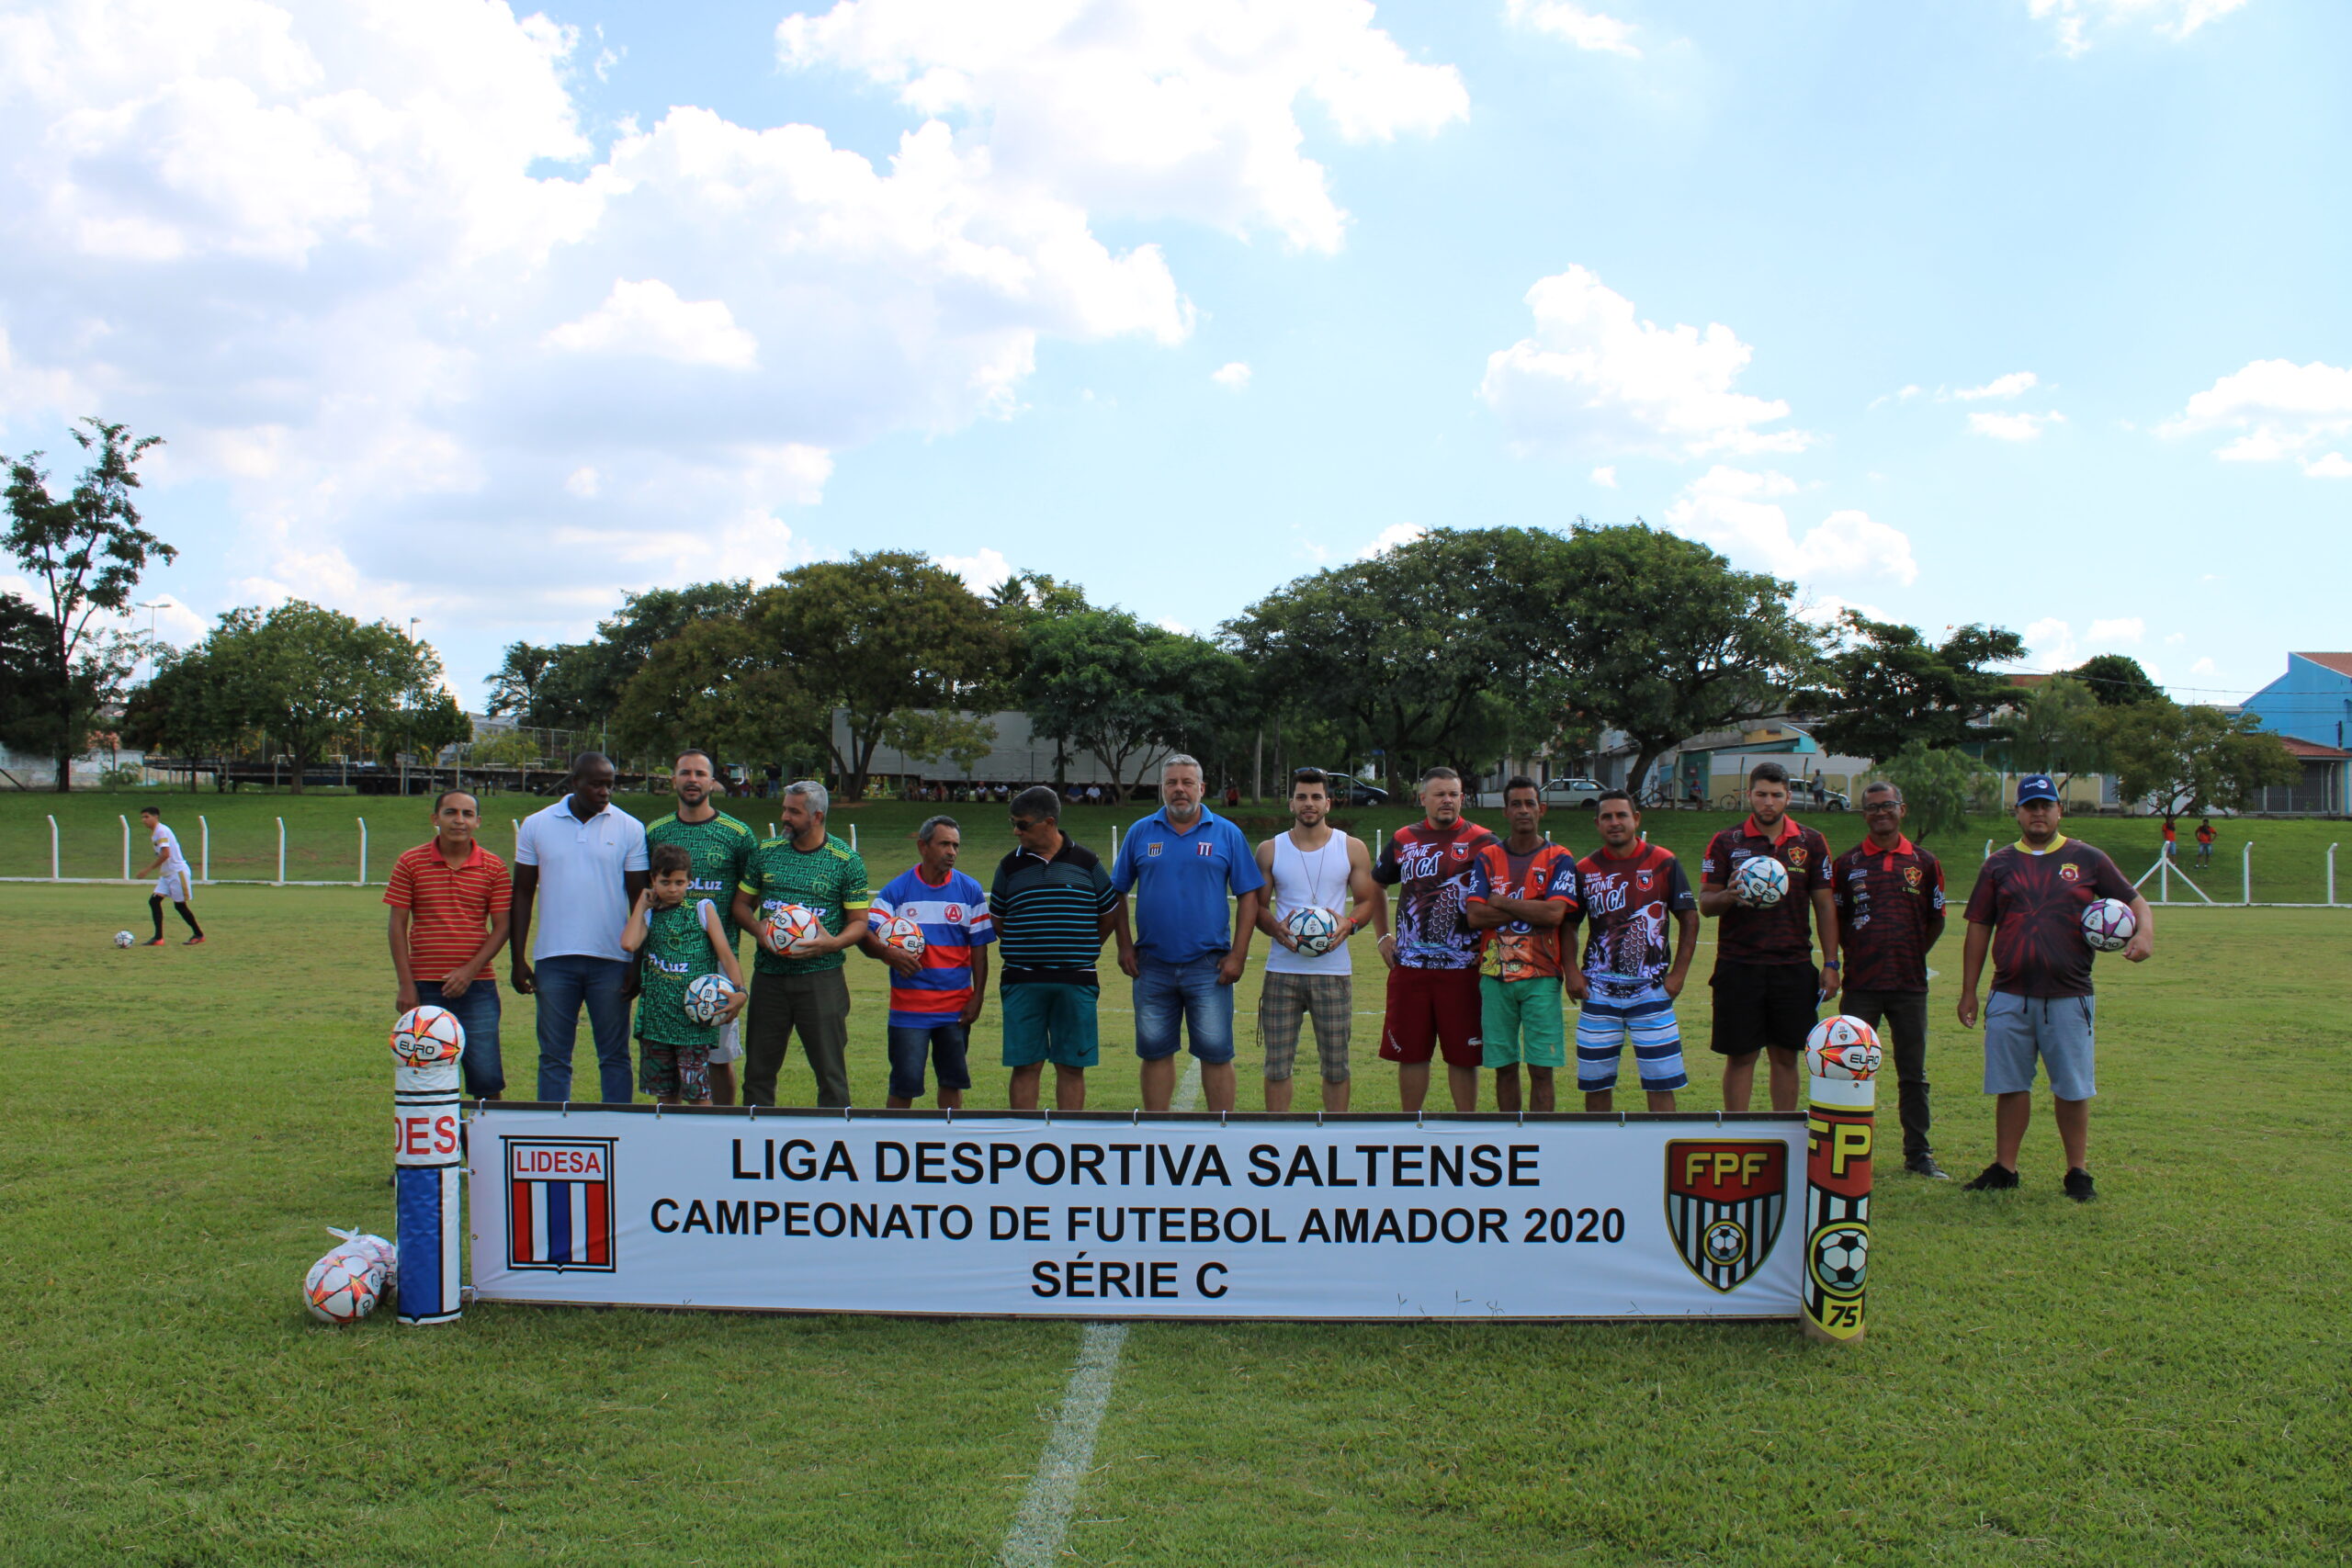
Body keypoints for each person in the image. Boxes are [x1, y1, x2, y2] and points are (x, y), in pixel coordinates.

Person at [1955, 774, 2154, 1200]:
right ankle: (2005, 1167)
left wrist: (2145, 934)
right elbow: (1978, 928)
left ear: (2059, 810)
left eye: (2046, 805)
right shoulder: (1999, 864)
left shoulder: (2088, 859)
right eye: (2031, 806)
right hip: (2009, 992)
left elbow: (2136, 902)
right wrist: (1969, 990)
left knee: (2072, 1086)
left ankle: (2077, 1172)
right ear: (2018, 813)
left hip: (2069, 994)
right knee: (2010, 1085)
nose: (2039, 813)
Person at [1112, 754, 1265, 1112]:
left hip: (1209, 966)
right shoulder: (1140, 832)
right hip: (1151, 964)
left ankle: (1220, 1131)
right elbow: (1116, 891)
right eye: (1171, 783)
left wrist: (1238, 955)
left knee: (1216, 1052)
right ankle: (1156, 1131)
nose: (1179, 790)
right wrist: (1124, 946)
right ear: (1162, 789)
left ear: (1201, 788)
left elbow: (1249, 897)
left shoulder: (1227, 833)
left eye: (1186, 782)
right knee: (1154, 1051)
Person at [1699, 761, 1839, 1112]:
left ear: (1789, 797)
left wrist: (1832, 963)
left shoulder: (1811, 841)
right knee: (1741, 1057)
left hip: (1792, 965)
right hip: (1738, 965)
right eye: (1761, 794)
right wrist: (1729, 897)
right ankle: (1736, 1136)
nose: (1768, 803)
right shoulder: (1726, 841)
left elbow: (1824, 906)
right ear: (1750, 795)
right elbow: (1706, 904)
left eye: (1776, 795)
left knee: (1786, 1056)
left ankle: (1782, 1134)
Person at [512, 753, 649, 1102]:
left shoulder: (630, 828)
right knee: (554, 1057)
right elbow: (523, 893)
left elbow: (640, 901)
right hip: (554, 960)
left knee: (615, 1055)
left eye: (610, 785)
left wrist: (637, 963)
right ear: (574, 782)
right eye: (597, 784)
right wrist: (518, 958)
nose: (605, 792)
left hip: (612, 959)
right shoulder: (536, 824)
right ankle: (555, 1136)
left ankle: (619, 1130)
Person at [729, 780, 875, 1109]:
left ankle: (834, 1143)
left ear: (817, 816)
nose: (785, 816)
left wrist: (831, 943)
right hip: (770, 978)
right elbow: (740, 905)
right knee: (758, 1073)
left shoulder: (845, 860)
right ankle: (758, 1140)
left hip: (821, 979)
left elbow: (859, 923)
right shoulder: (765, 854)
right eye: (785, 808)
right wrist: (758, 930)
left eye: (793, 812)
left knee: (830, 1073)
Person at [1832, 782, 1948, 1179]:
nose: (1880, 813)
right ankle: (1843, 1154)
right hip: (1861, 985)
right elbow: (1838, 920)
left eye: (1887, 806)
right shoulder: (1846, 864)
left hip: (1909, 986)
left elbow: (1936, 920)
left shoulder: (1924, 862)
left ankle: (1919, 1154)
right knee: (1849, 1071)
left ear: (1903, 809)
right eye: (1872, 808)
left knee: (1913, 1074)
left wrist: (1912, 953)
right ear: (1863, 814)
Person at [1374, 766, 1503, 1112]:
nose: (1447, 800)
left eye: (1454, 794)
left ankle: (1467, 1125)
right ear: (1423, 799)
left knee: (1463, 1055)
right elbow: (1378, 882)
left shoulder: (1484, 841)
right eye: (1440, 794)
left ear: (1462, 798)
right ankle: (1409, 1125)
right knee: (1412, 1052)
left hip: (1463, 968)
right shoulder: (1404, 838)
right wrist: (1383, 935)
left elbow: (1499, 898)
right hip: (1411, 966)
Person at [1252, 768, 1382, 1112]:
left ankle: (1335, 1138)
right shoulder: (1270, 850)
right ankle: (1276, 1138)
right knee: (1277, 1066)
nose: (1308, 804)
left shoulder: (1351, 848)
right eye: (1301, 797)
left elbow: (1367, 901)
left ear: (1328, 803)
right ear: (1291, 803)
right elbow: (1258, 908)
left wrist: (1350, 924)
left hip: (1333, 973)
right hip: (1282, 972)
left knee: (1336, 1067)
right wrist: (1275, 929)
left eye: (1315, 797)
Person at [992, 785, 1119, 1111]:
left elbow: (1109, 914)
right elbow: (998, 920)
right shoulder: (1009, 866)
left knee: (1071, 1065)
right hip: (1022, 980)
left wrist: (1083, 948)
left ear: (1048, 822)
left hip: (1076, 981)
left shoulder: (1088, 861)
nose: (1015, 831)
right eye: (1014, 823)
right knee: (1026, 1065)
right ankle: (1022, 1140)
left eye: (1022, 824)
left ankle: (1069, 1140)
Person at [1570, 791, 1697, 1111]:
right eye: (1607, 817)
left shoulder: (1664, 862)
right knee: (1596, 1084)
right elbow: (1567, 925)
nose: (1615, 822)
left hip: (1652, 993)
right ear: (1597, 823)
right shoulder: (1585, 869)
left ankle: (1660, 1152)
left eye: (1621, 815)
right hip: (1598, 992)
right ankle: (1600, 1152)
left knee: (1662, 1081)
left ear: (1636, 819)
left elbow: (1689, 919)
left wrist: (1678, 976)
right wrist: (1571, 972)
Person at [645, 750, 759, 1105]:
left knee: (718, 1060)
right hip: (666, 969)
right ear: (674, 780)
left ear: (712, 782)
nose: (692, 779)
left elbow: (751, 891)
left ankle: (723, 1132)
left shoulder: (737, 834)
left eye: (699, 773)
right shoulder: (655, 832)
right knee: (670, 1064)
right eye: (685, 773)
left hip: (716, 972)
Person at [1463, 777, 1580, 1113]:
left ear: (1541, 809)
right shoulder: (1487, 858)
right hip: (1494, 975)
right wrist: (1533, 907)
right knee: (1504, 1067)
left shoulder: (1559, 858)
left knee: (1542, 1068)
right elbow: (1474, 915)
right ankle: (1509, 1138)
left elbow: (1555, 913)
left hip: (1541, 975)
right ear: (1505, 811)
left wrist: (1499, 901)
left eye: (1530, 803)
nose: (1524, 810)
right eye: (1516, 804)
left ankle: (1542, 1139)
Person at [386, 790, 511, 1100]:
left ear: (478, 822)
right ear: (435, 818)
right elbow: (397, 925)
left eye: (467, 814)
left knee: (486, 1079)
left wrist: (469, 971)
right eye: (451, 812)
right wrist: (406, 985)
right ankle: (441, 1147)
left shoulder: (493, 867)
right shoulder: (410, 862)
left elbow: (503, 926)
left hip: (477, 988)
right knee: (427, 1075)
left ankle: (483, 1148)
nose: (459, 820)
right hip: (424, 987)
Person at [868, 816, 995, 1110]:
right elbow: (866, 931)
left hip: (955, 1009)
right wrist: (888, 953)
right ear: (923, 847)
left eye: (956, 845)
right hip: (908, 1010)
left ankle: (951, 1146)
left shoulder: (970, 891)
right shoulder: (897, 891)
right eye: (944, 844)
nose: (951, 851)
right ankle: (892, 1146)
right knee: (903, 1086)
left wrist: (977, 996)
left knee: (951, 1083)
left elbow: (979, 949)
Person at [622, 843, 749, 1105]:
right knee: (665, 1097)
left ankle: (706, 1144)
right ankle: (670, 1144)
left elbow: (726, 954)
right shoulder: (650, 916)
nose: (672, 889)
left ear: (689, 881)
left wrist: (740, 991)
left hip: (693, 1024)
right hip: (657, 1023)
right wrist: (640, 906)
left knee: (698, 1095)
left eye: (679, 882)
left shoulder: (702, 910)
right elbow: (629, 944)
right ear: (653, 880)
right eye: (665, 882)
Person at [134, 805, 204, 945]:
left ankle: (199, 934)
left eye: (147, 817)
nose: (144, 820)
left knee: (180, 906)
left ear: (156, 817)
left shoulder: (161, 831)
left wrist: (147, 870)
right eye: (142, 817)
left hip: (177, 872)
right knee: (154, 901)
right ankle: (158, 938)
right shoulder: (156, 832)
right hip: (166, 874)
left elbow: (166, 854)